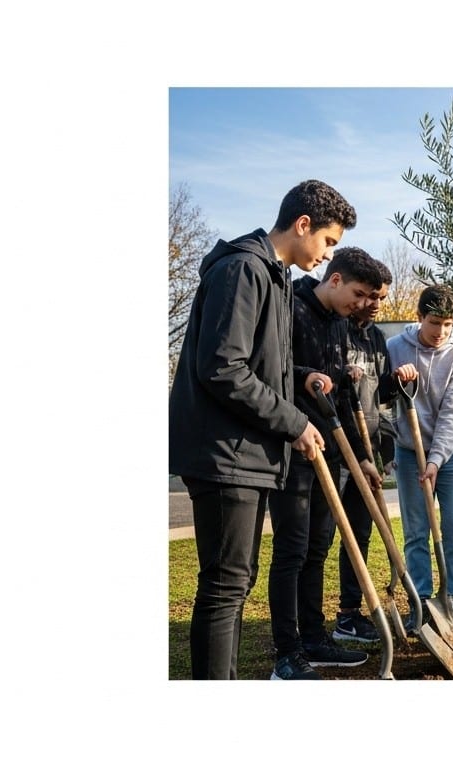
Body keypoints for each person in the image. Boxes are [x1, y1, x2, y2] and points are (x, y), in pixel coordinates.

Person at [168, 179, 353, 680]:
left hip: (244, 453)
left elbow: (255, 366)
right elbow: (223, 367)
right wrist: (294, 422)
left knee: (235, 582)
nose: (327, 254)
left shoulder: (269, 275)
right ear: (302, 225)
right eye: (329, 241)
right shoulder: (244, 269)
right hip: (224, 453)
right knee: (226, 586)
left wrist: (297, 379)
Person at [267, 247, 390, 679]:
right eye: (358, 294)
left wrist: (361, 457)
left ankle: (315, 637)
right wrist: (305, 376)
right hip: (293, 447)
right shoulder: (290, 306)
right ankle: (286, 650)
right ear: (334, 279)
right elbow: (275, 370)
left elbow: (340, 395)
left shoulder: (340, 325)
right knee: (292, 549)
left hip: (331, 449)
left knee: (317, 548)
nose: (362, 305)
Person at [387, 284, 453, 632]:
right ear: (419, 316)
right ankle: (421, 601)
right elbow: (381, 395)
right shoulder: (395, 348)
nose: (441, 332)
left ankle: (452, 595)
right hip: (409, 452)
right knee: (415, 531)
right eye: (435, 322)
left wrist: (437, 460)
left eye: (449, 324)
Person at [330, 248, 407, 644]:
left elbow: (379, 397)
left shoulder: (377, 338)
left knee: (360, 532)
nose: (377, 304)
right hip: (337, 447)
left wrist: (399, 381)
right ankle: (302, 624)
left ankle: (348, 613)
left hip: (368, 448)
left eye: (381, 298)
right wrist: (344, 375)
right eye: (372, 297)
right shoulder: (336, 327)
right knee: (324, 535)